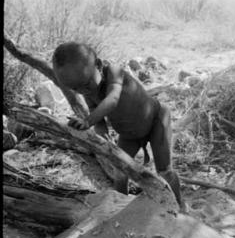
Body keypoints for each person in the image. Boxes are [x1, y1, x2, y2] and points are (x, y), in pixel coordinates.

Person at [52, 42, 184, 211]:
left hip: (155, 120)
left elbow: (112, 99)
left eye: (86, 83)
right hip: (129, 135)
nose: (83, 90)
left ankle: (180, 206)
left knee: (165, 172)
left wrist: (88, 121)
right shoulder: (88, 92)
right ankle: (121, 207)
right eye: (75, 88)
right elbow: (96, 114)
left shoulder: (114, 72)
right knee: (120, 173)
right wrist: (102, 134)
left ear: (98, 65)